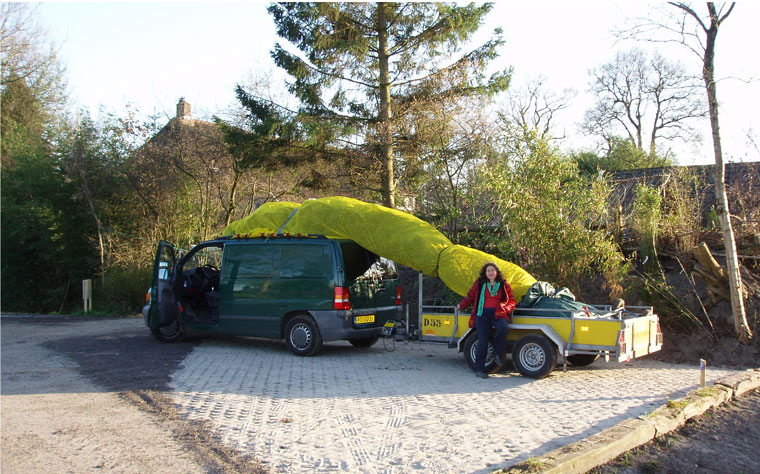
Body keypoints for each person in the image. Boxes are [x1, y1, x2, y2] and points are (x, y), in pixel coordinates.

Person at [458, 262, 516, 378]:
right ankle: (479, 370)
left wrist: (506, 309)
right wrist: (461, 305)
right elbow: (470, 297)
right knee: (482, 341)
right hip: (482, 314)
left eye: (492, 270)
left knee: (503, 328)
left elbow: (512, 301)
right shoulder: (479, 284)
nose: (490, 272)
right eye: (488, 270)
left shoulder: (504, 285)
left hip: (498, 314)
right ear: (485, 273)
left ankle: (498, 354)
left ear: (497, 272)